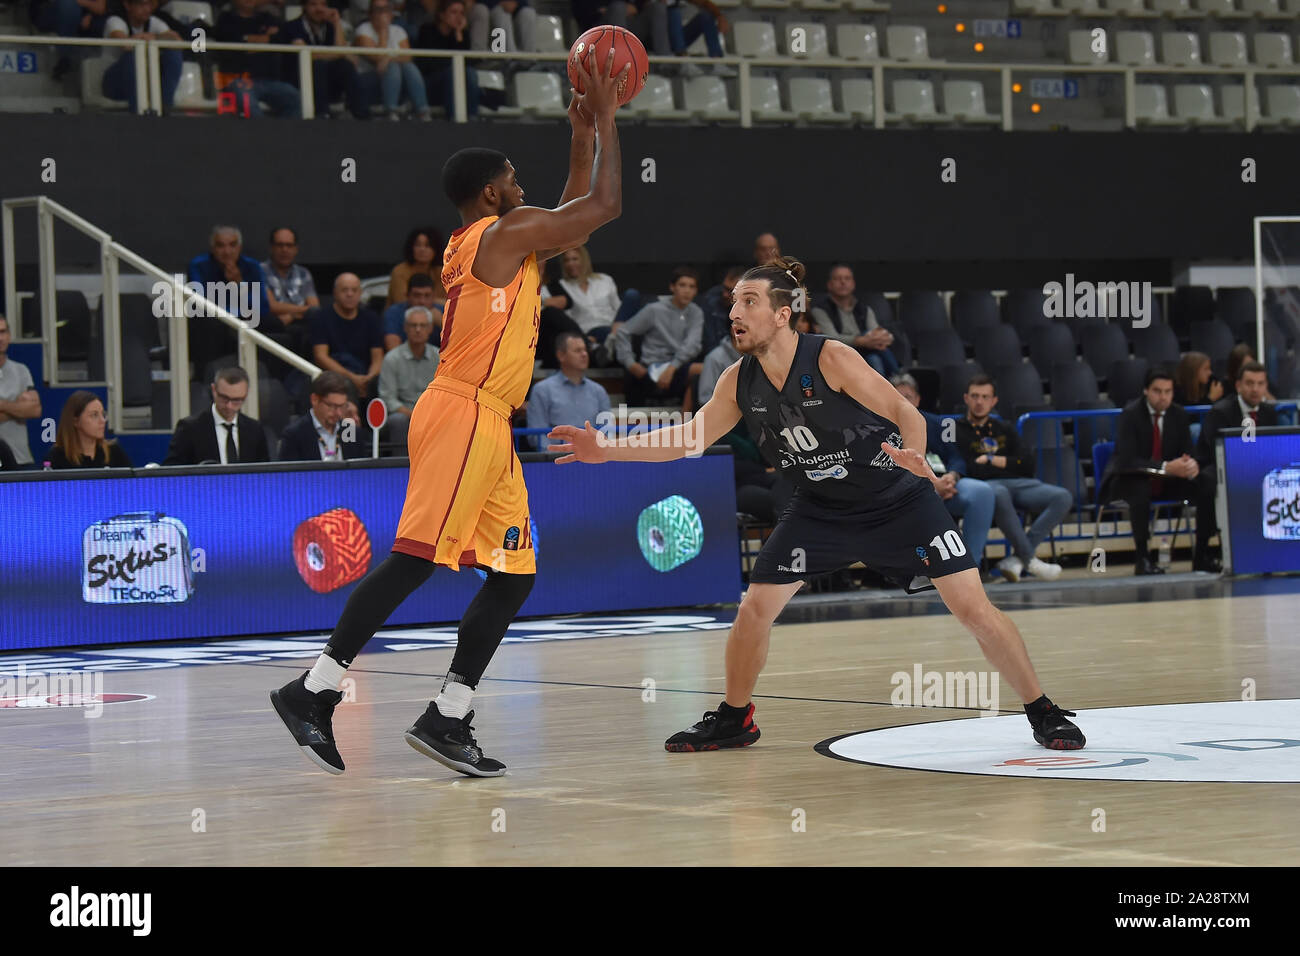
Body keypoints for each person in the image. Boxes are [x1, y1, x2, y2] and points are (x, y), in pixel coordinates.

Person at [549, 257, 1085, 753]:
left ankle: (1042, 710)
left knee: (973, 609)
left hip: (897, 501)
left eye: (749, 303)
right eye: (733, 303)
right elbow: (689, 439)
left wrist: (915, 456)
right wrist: (607, 449)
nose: (735, 313)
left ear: (784, 315)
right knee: (754, 610)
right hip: (821, 508)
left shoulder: (831, 357)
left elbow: (905, 411)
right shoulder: (739, 380)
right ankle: (737, 718)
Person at [269, 50, 627, 778]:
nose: (527, 193)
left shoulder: (496, 241)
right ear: (494, 194)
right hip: (463, 412)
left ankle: (449, 714)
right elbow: (599, 210)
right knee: (414, 559)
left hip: (488, 422)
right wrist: (613, 119)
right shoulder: (497, 237)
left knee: (515, 572)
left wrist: (584, 134)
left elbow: (566, 216)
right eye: (516, 183)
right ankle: (313, 690)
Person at [1099, 366, 1214, 574]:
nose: (1163, 397)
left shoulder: (1178, 414)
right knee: (1140, 490)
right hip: (1129, 479)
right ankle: (1142, 558)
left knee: (1206, 483)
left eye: (1168, 392)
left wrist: (1190, 464)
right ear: (1146, 391)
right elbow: (1128, 460)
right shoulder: (1130, 414)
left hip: (1169, 480)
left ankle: (1202, 555)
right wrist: (1165, 467)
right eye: (1157, 391)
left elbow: (1188, 451)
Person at [953, 375, 1068, 582]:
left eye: (985, 397)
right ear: (966, 398)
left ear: (994, 401)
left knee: (1062, 497)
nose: (980, 402)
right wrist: (1008, 462)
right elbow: (970, 468)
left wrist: (991, 460)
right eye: (975, 396)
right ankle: (1030, 560)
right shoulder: (956, 429)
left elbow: (1028, 463)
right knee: (998, 491)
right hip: (987, 488)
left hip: (1020, 484)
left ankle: (1017, 559)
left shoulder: (1003, 427)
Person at [892, 373, 995, 574]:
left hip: (947, 484)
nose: (904, 402)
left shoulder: (941, 423)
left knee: (982, 492)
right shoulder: (879, 427)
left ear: (918, 399)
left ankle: (971, 567)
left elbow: (956, 455)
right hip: (911, 490)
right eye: (897, 396)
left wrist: (952, 476)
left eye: (908, 396)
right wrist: (932, 485)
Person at [1193, 360, 1276, 570]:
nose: (1255, 389)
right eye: (1250, 383)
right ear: (1238, 385)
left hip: (1257, 468)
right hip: (1220, 467)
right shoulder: (1220, 411)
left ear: (1266, 386)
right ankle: (1203, 552)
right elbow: (1213, 450)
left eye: (1260, 383)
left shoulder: (1269, 412)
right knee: (1210, 481)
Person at [610, 266, 704, 406]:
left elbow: (692, 344)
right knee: (700, 370)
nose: (687, 290)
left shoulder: (696, 312)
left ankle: (690, 423)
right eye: (682, 285)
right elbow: (623, 332)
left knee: (706, 370)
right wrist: (630, 363)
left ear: (696, 291)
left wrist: (671, 368)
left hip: (677, 367)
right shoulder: (654, 310)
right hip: (652, 367)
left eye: (692, 287)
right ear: (672, 287)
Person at [186, 225, 274, 374]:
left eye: (232, 245)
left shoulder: (252, 266)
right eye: (221, 246)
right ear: (213, 248)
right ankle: (206, 378)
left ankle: (266, 377)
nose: (227, 252)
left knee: (273, 324)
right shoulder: (198, 265)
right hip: (213, 319)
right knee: (207, 324)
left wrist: (239, 284)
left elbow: (261, 307)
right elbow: (199, 303)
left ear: (239, 247)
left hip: (245, 318)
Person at [281, 0, 373, 120]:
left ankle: (363, 115)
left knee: (345, 65)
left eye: (323, 5)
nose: (319, 9)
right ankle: (322, 115)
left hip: (327, 84)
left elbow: (342, 52)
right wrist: (337, 53)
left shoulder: (330, 27)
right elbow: (310, 55)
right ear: (304, 7)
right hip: (298, 81)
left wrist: (336, 22)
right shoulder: (292, 26)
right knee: (318, 65)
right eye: (313, 4)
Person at [162, 367, 271, 465]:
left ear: (245, 395)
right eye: (224, 398)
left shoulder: (254, 430)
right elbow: (172, 472)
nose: (229, 406)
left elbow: (264, 473)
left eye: (236, 400)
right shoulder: (190, 428)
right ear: (214, 390)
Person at [213, 0, 302, 118]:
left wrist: (248, 40)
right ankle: (263, 134)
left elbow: (281, 38)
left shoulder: (268, 19)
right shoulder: (226, 19)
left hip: (270, 81)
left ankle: (283, 135)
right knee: (248, 102)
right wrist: (267, 39)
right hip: (238, 79)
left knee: (295, 98)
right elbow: (232, 41)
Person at [811, 263, 900, 379]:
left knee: (875, 357)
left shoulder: (864, 309)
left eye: (847, 278)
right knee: (873, 356)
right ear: (830, 285)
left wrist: (883, 338)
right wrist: (861, 340)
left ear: (853, 284)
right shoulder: (820, 310)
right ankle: (900, 377)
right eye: (838, 279)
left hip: (866, 352)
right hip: (839, 354)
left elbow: (876, 333)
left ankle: (894, 381)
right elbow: (831, 338)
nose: (843, 282)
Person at [526, 330, 611, 450]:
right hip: (555, 461)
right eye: (577, 351)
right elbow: (537, 434)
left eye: (585, 350)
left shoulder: (598, 391)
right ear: (561, 355)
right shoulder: (542, 390)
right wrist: (553, 458)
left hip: (593, 461)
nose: (584, 354)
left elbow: (606, 431)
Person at [310, 273, 385, 399]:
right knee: (345, 385)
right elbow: (320, 356)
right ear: (334, 293)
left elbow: (378, 356)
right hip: (335, 374)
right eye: (344, 290)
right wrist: (352, 378)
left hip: (364, 374)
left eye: (354, 290)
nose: (350, 294)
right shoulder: (321, 318)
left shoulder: (371, 318)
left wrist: (369, 379)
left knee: (377, 384)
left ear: (360, 293)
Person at [356, 0, 433, 120]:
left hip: (398, 80)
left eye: (386, 9)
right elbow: (378, 58)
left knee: (408, 66)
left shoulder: (398, 30)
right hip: (368, 80)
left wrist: (388, 58)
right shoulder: (363, 29)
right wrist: (383, 31)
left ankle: (423, 111)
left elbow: (408, 57)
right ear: (370, 14)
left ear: (392, 13)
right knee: (393, 67)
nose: (383, 14)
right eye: (378, 10)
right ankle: (390, 111)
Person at [101, 0, 183, 113]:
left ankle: (165, 107)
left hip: (147, 81)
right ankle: (138, 112)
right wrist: (150, 38)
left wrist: (153, 37)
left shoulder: (155, 22)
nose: (147, 9)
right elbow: (125, 44)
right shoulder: (115, 21)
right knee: (132, 56)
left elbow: (178, 41)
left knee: (173, 53)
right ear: (127, 5)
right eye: (141, 4)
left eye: (149, 4)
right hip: (115, 81)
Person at [378, 305, 440, 447]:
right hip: (404, 414)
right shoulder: (392, 359)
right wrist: (411, 414)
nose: (418, 330)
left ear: (430, 329)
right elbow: (388, 399)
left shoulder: (439, 358)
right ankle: (399, 466)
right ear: (405, 328)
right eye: (413, 325)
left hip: (432, 414)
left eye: (423, 325)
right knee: (398, 420)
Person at [276, 371, 367, 461]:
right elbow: (290, 475)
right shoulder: (295, 434)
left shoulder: (349, 430)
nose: (339, 413)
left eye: (342, 406)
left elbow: (361, 470)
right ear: (315, 400)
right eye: (332, 406)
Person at [415, 0, 483, 118]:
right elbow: (427, 64)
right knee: (453, 72)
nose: (459, 17)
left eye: (462, 13)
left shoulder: (462, 35)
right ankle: (454, 118)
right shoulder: (427, 30)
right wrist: (452, 66)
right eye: (454, 12)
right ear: (442, 15)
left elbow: (467, 63)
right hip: (431, 85)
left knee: (470, 73)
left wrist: (458, 34)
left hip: (454, 83)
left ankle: (473, 117)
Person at [260, 226, 319, 359]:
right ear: (271, 248)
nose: (284, 250)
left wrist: (291, 315)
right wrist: (301, 311)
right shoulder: (259, 271)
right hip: (274, 324)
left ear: (296, 249)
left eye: (289, 245)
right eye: (280, 245)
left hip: (298, 323)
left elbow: (314, 308)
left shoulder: (304, 274)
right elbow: (272, 306)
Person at [47, 391, 133, 468]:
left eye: (103, 414)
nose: (102, 421)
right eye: (94, 415)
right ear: (75, 421)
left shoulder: (114, 452)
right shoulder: (57, 457)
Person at [0, 315, 40, 465]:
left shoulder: (21, 370)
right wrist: (17, 408)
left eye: (3, 332)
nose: (0, 338)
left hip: (21, 460)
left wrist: (2, 406)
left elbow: (34, 410)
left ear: (9, 335)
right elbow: (25, 410)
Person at [386, 226, 446, 309]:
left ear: (436, 249)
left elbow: (449, 302)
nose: (422, 249)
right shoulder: (399, 272)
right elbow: (402, 302)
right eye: (418, 245)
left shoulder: (441, 272)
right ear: (411, 248)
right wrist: (432, 301)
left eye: (427, 246)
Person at [382, 273, 444, 351]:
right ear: (407, 296)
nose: (422, 301)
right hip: (404, 361)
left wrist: (442, 324)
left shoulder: (444, 312)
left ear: (434, 296)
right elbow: (393, 350)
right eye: (417, 295)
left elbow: (459, 347)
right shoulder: (394, 313)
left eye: (427, 295)